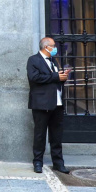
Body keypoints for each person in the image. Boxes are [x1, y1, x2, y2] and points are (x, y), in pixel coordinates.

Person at [27, 37, 71, 174]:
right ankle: (38, 162)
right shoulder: (33, 60)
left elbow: (55, 78)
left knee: (56, 136)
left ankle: (58, 163)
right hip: (42, 104)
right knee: (40, 135)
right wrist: (56, 77)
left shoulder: (54, 61)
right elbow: (34, 78)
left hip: (57, 103)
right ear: (46, 47)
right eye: (53, 46)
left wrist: (62, 77)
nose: (55, 48)